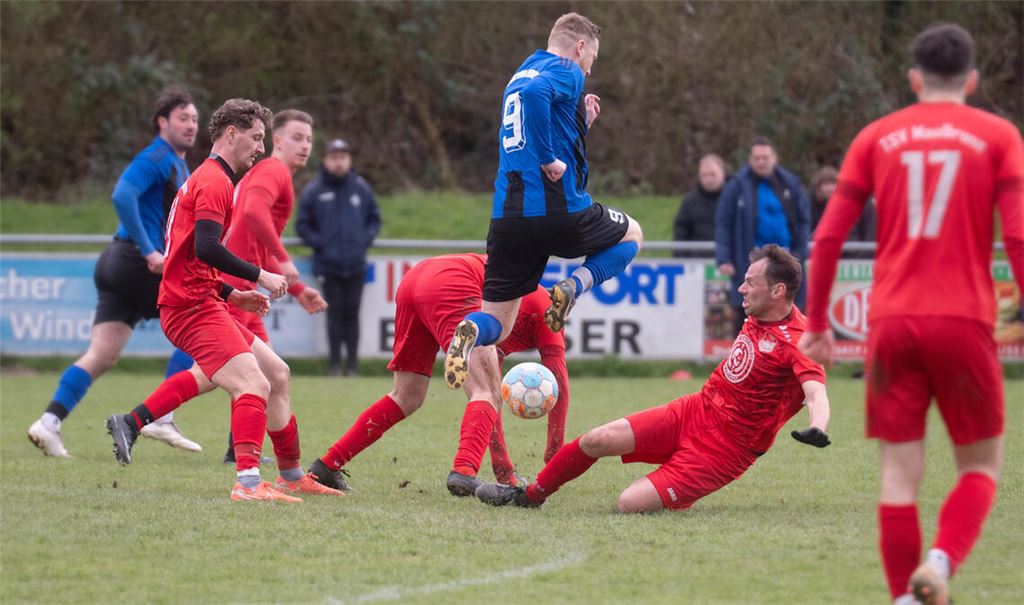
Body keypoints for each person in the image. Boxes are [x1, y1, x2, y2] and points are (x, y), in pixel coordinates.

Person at [799, 23, 1024, 605]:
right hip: (965, 321)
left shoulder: (877, 136)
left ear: (914, 79)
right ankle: (941, 564)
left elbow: (826, 241)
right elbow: (1020, 237)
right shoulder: (999, 135)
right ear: (972, 79)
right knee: (980, 470)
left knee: (900, 480)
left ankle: (904, 598)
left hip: (892, 325)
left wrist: (819, 324)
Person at [476, 244, 831, 513]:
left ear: (777, 292)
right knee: (599, 438)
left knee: (629, 503)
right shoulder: (758, 313)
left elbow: (816, 393)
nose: (741, 288)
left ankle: (681, 481)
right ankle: (530, 495)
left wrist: (818, 426)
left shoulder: (799, 341)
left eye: (750, 283)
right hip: (695, 409)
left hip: (727, 449)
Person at [105, 98, 341, 502]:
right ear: (232, 134)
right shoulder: (215, 181)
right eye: (256, 138)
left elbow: (191, 258)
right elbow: (208, 247)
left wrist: (235, 294)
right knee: (252, 383)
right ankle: (247, 482)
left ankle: (290, 474)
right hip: (189, 308)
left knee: (277, 374)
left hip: (204, 299)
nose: (261, 148)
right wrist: (261, 273)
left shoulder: (212, 178)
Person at [444, 12, 643, 404]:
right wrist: (550, 158)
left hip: (508, 218)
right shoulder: (567, 68)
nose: (589, 67)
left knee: (498, 326)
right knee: (634, 233)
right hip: (556, 211)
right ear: (580, 46)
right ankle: (573, 286)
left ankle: (468, 327)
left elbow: (537, 113)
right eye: (593, 59)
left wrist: (581, 121)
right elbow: (541, 107)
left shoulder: (521, 73)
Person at [27, 87, 202, 458]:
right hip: (135, 262)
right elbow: (123, 195)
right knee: (201, 320)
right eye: (183, 118)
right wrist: (149, 250)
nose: (191, 125)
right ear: (162, 122)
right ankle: (162, 416)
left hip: (116, 263)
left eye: (195, 119)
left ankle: (49, 422)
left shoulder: (178, 162)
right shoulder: (156, 156)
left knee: (101, 355)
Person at [306, 253, 570, 496]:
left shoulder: (522, 304)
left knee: (406, 396)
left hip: (415, 278)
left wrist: (505, 472)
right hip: (455, 281)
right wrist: (554, 458)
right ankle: (464, 471)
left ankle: (327, 466)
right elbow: (559, 384)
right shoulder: (548, 313)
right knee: (487, 391)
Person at [296, 138, 380, 376]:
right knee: (333, 315)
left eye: (343, 157)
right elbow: (303, 226)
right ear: (326, 160)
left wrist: (364, 239)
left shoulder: (361, 187)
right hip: (328, 266)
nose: (339, 162)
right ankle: (334, 365)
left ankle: (352, 365)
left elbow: (374, 219)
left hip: (355, 264)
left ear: (349, 159)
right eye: (334, 157)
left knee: (352, 314)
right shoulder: (315, 190)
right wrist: (321, 244)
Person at [715, 138, 810, 335]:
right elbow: (723, 222)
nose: (761, 162)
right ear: (750, 159)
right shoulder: (737, 186)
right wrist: (724, 257)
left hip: (785, 263)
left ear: (774, 159)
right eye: (757, 158)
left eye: (765, 158)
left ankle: (790, 358)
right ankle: (744, 359)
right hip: (749, 262)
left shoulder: (790, 184)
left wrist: (801, 253)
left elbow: (803, 221)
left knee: (789, 313)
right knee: (746, 313)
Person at [808, 166, 876, 258]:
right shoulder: (811, 206)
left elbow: (870, 233)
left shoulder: (866, 204)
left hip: (856, 258)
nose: (829, 188)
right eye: (825, 184)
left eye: (832, 183)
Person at [673, 154, 729, 258]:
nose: (708, 179)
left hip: (731, 263)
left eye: (713, 174)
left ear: (723, 173)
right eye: (704, 175)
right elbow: (681, 233)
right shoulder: (690, 202)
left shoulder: (736, 200)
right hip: (698, 264)